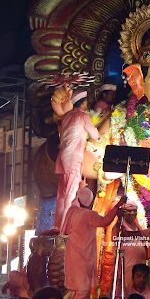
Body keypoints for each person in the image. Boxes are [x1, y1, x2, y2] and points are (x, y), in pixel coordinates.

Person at [61, 187, 127, 299]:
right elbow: (104, 221)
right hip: (82, 261)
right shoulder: (89, 215)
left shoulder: (72, 212)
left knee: (75, 293)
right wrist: (118, 205)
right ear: (91, 202)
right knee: (81, 295)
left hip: (72, 259)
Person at [53, 89, 100, 230]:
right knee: (71, 194)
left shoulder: (66, 116)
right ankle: (66, 229)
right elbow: (94, 134)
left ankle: (57, 225)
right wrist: (99, 138)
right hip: (73, 158)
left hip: (62, 157)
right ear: (84, 103)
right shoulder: (82, 116)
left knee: (62, 194)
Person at [113, 201, 147, 288]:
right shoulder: (120, 225)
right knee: (127, 286)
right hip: (127, 263)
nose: (132, 213)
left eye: (134, 211)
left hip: (140, 263)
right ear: (124, 212)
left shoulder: (137, 225)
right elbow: (121, 235)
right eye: (129, 211)